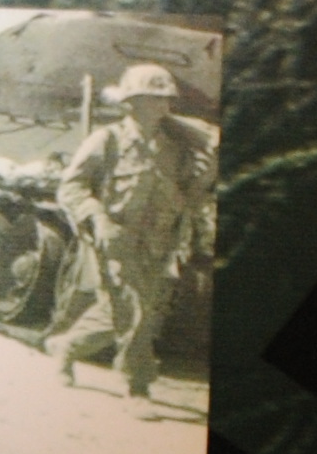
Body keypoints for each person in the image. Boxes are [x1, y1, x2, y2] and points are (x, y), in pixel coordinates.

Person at [52, 63, 210, 395]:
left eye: (166, 99)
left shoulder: (176, 148)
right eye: (154, 98)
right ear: (132, 102)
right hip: (117, 239)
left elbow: (186, 198)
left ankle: (66, 347)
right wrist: (97, 218)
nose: (163, 105)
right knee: (135, 309)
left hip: (159, 244)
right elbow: (72, 187)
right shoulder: (107, 139)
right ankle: (138, 387)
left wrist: (208, 173)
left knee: (128, 312)